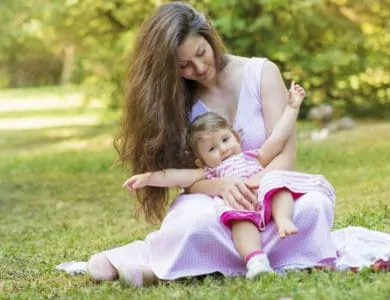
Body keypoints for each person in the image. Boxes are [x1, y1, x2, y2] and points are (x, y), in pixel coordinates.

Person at [86, 1, 337, 287]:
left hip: (268, 191)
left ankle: (188, 265)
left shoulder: (262, 73)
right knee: (197, 222)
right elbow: (191, 178)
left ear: (209, 37)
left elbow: (285, 155)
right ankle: (246, 259)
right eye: (184, 66)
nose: (200, 67)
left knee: (313, 207)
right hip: (214, 204)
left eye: (201, 53)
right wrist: (222, 187)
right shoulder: (178, 101)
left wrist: (250, 188)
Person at [122, 83, 306, 280]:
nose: (223, 149)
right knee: (241, 223)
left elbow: (278, 138)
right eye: (212, 149)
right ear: (201, 161)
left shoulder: (254, 157)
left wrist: (292, 108)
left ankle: (283, 219)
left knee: (279, 187)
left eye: (225, 140)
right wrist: (148, 178)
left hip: (266, 198)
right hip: (243, 206)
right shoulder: (210, 172)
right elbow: (175, 175)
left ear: (236, 138)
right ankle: (256, 261)